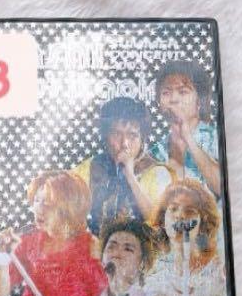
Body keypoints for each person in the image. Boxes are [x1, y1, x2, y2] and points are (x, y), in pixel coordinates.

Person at [71, 97, 171, 234]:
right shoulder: (91, 167)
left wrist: (130, 176)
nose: (124, 143)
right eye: (117, 134)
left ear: (142, 139)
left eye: (132, 135)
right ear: (105, 136)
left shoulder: (158, 172)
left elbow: (158, 222)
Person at [149, 60, 222, 199]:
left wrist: (188, 138)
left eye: (183, 92)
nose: (174, 99)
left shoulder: (216, 138)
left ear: (200, 100)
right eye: (166, 92)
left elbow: (223, 187)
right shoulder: (155, 152)